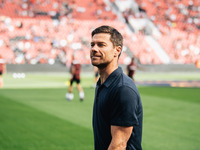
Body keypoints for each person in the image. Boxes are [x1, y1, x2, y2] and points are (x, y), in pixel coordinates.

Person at [90, 25, 143, 150]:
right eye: (92, 44)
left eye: (101, 45)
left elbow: (118, 145)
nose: (94, 49)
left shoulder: (123, 89)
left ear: (117, 50)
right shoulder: (102, 83)